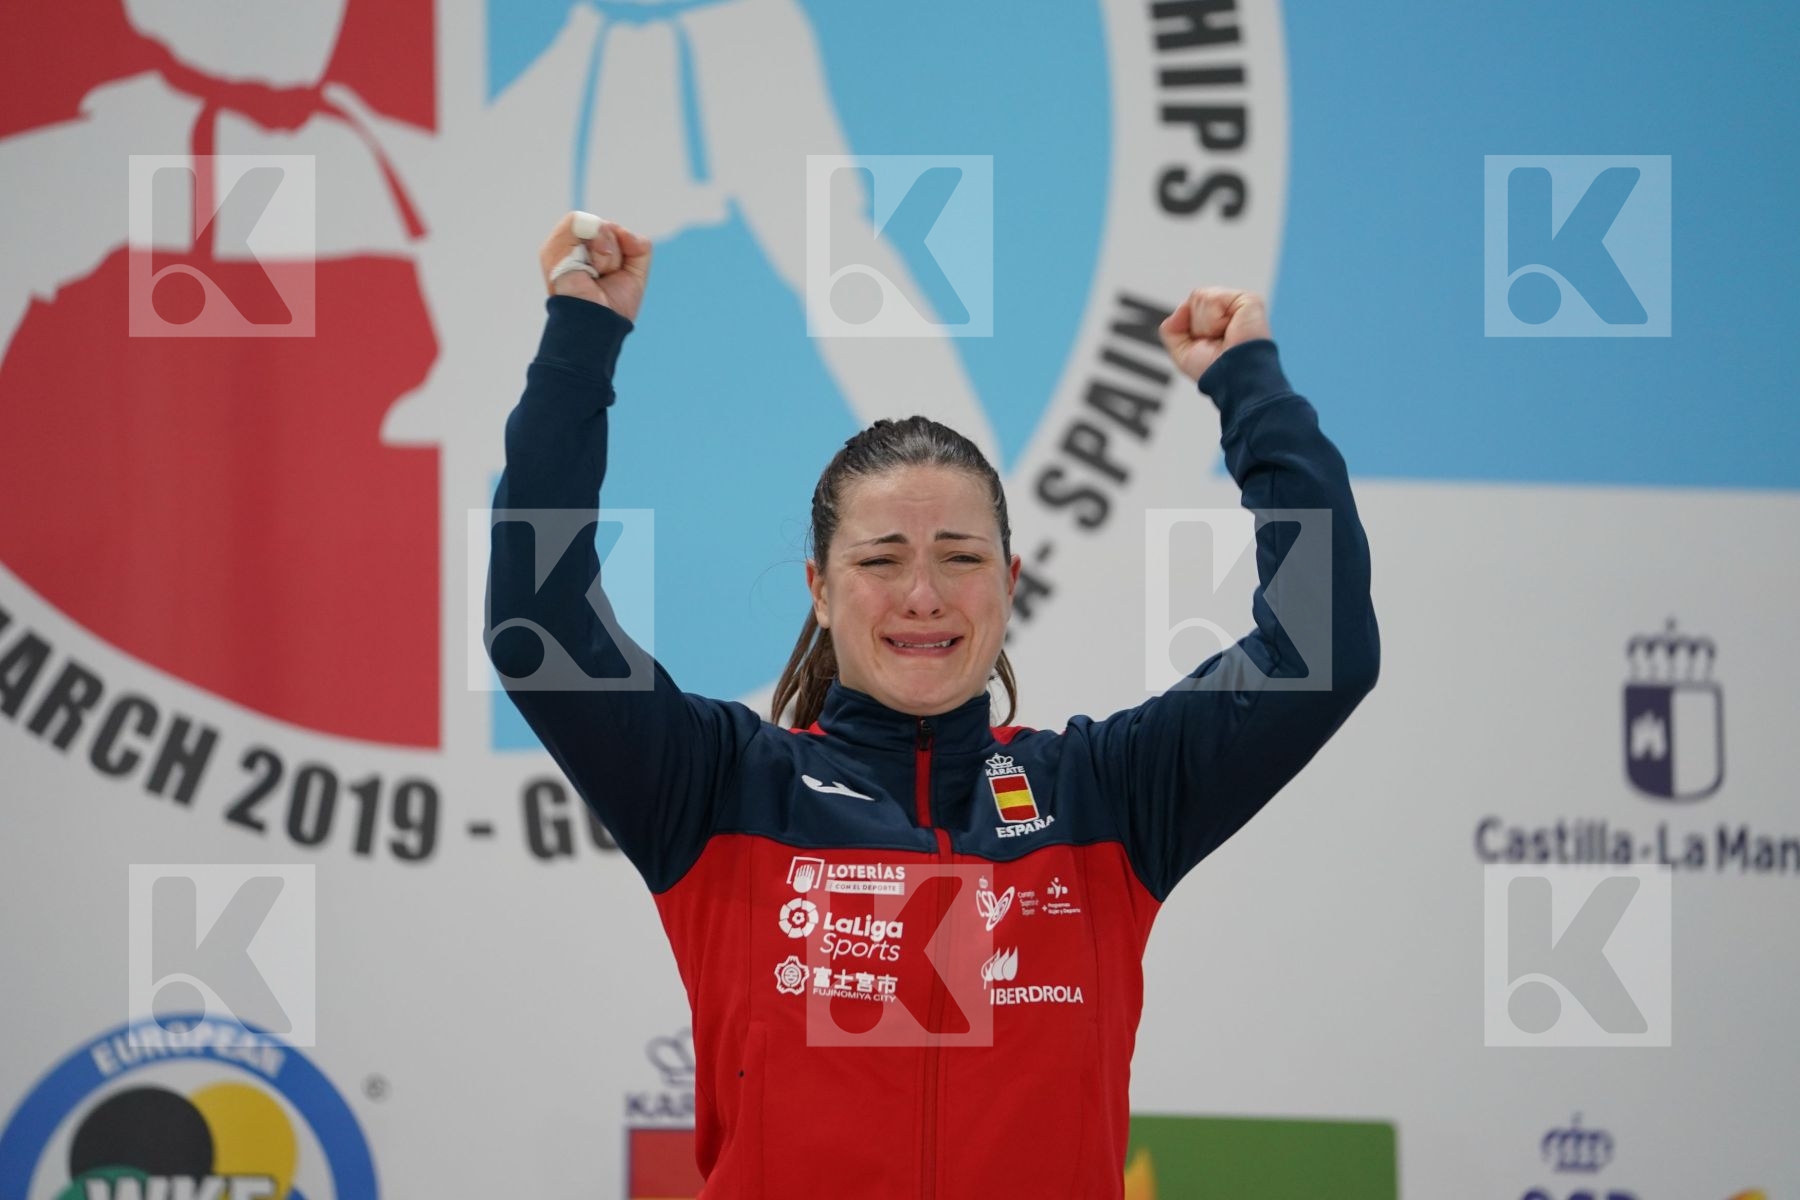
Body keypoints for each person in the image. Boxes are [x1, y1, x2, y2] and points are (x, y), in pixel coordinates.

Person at [488, 212, 1380, 1199]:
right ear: (821, 590)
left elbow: (1322, 651)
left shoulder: (1106, 795)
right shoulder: (718, 786)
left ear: (1010, 581)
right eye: (880, 562)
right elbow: (538, 621)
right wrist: (579, 338)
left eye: (959, 559)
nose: (922, 597)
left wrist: (1251, 389)